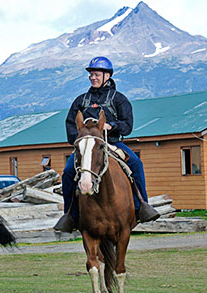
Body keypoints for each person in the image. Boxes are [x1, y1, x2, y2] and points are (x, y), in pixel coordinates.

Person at [54, 56, 160, 233]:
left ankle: (140, 206)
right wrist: (81, 140)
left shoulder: (119, 99)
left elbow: (128, 126)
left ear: (107, 76)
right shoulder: (80, 100)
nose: (92, 77)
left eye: (96, 74)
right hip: (87, 147)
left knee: (135, 163)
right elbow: (70, 125)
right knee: (68, 172)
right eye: (91, 75)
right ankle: (70, 215)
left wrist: (113, 126)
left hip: (112, 143)